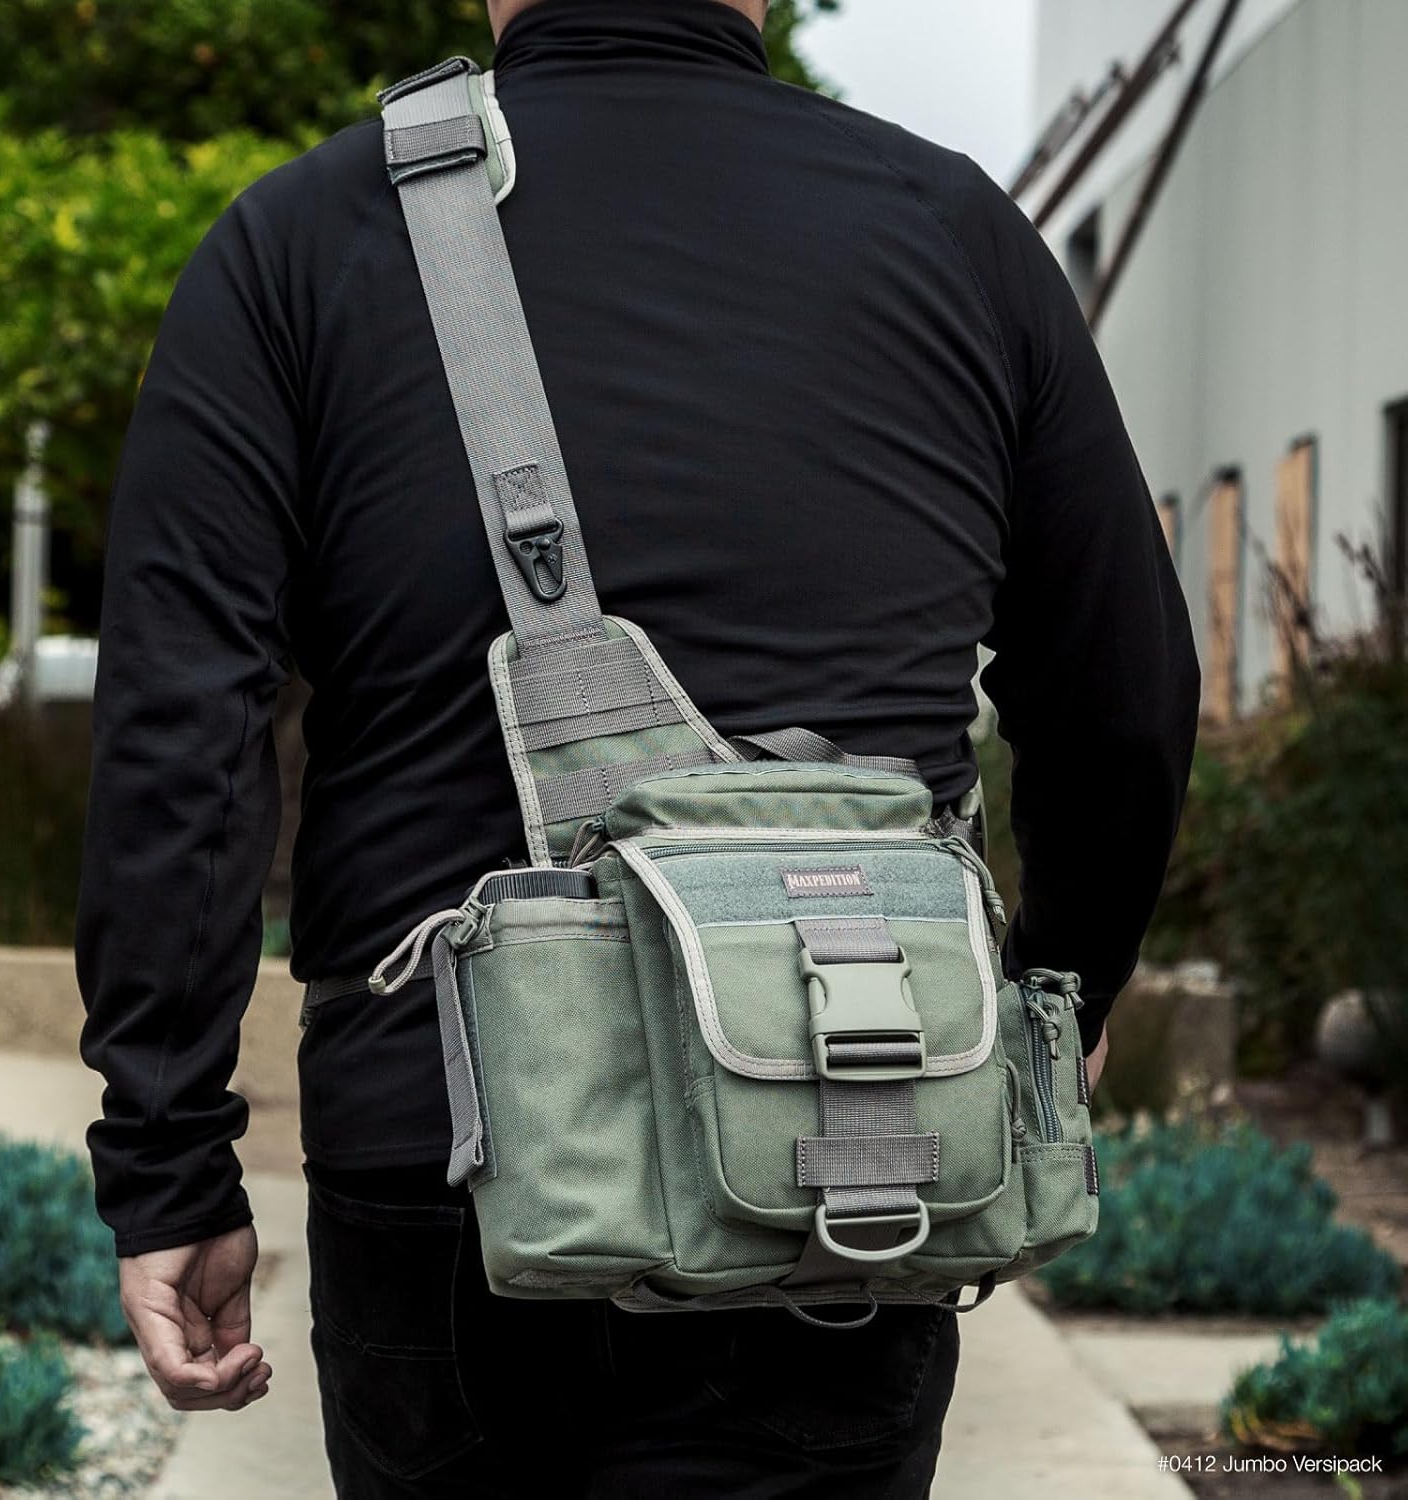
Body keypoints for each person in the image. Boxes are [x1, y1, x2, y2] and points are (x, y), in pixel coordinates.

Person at [75, 0, 1201, 1493]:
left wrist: (168, 1159)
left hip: (443, 1161)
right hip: (846, 1129)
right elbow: (1126, 694)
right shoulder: (956, 235)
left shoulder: (301, 241)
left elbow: (180, 730)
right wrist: (1066, 984)